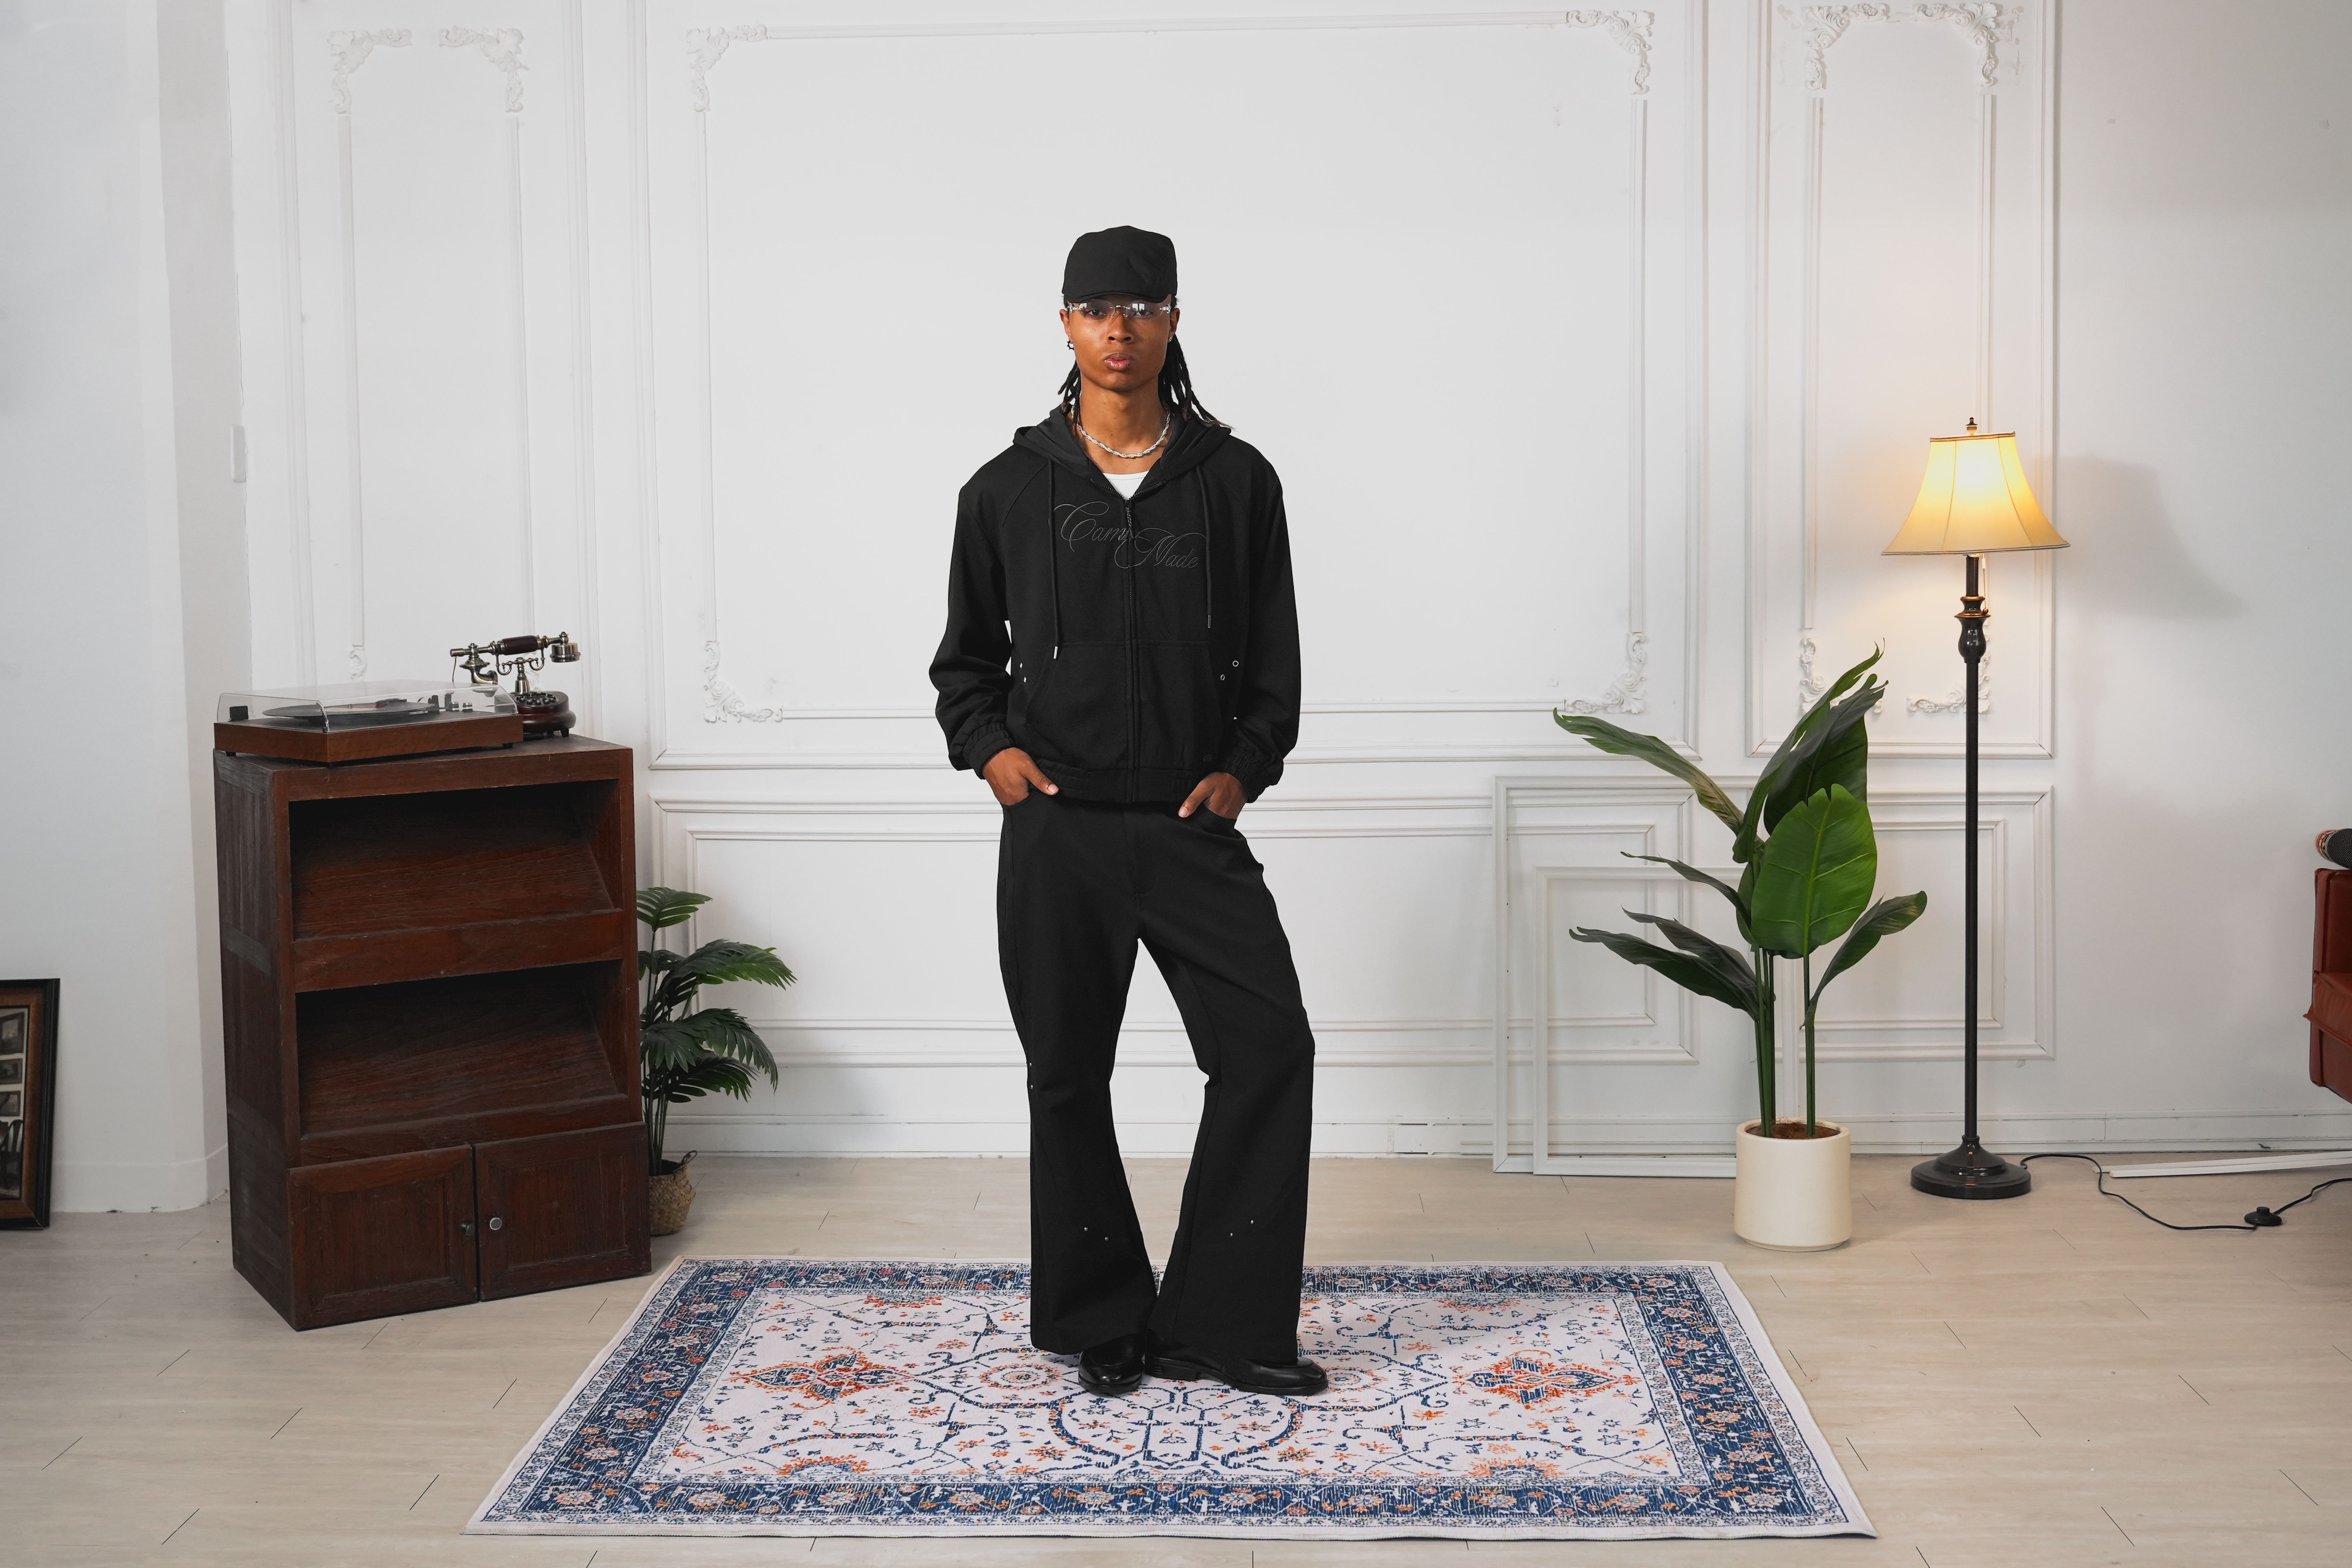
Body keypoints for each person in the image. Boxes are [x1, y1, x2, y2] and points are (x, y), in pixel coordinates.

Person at [929, 227, 1324, 1399]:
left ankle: (1223, 1323)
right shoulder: (1004, 489)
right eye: (1097, 308)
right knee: (1067, 1074)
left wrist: (1245, 768)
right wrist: (993, 752)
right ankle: (1100, 1314)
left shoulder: (1236, 481)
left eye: (1142, 307)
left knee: (1268, 1050)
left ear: (1174, 321)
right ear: (1065, 323)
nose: (1120, 329)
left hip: (1190, 826)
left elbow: (1274, 659)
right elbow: (964, 665)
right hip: (1058, 829)